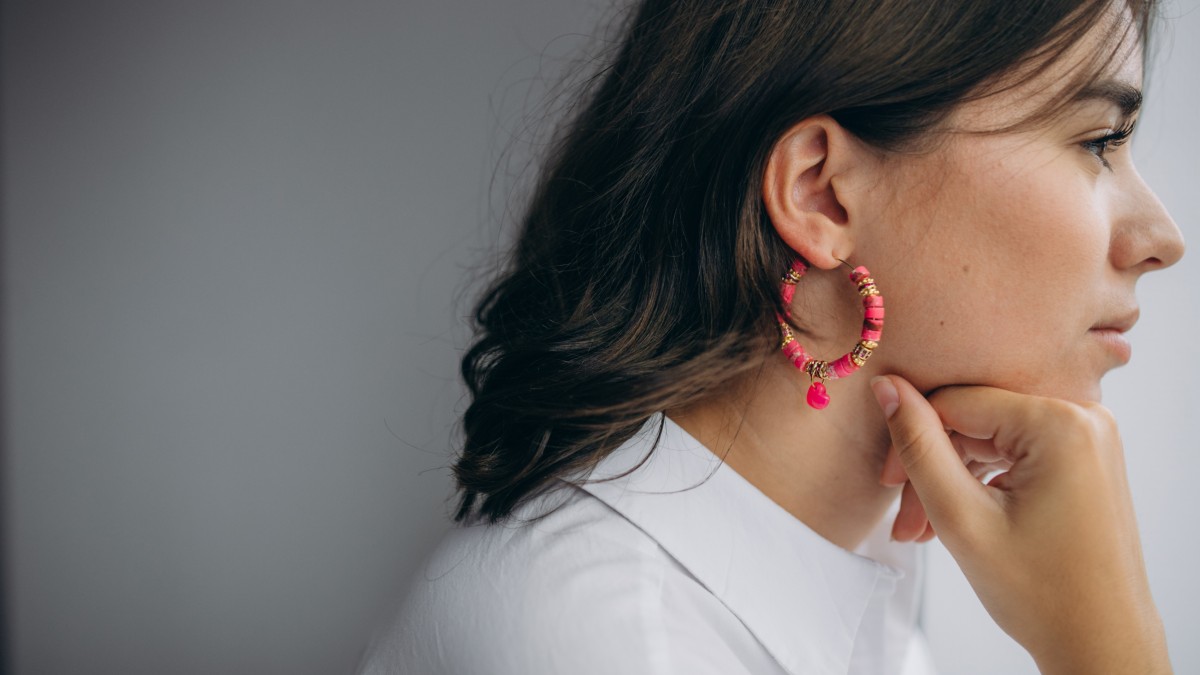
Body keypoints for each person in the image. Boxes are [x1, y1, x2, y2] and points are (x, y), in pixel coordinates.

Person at [357, 0, 1185, 673]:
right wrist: (1109, 652)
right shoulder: (606, 640)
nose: (1163, 237)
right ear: (822, 193)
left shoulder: (868, 580)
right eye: (1098, 142)